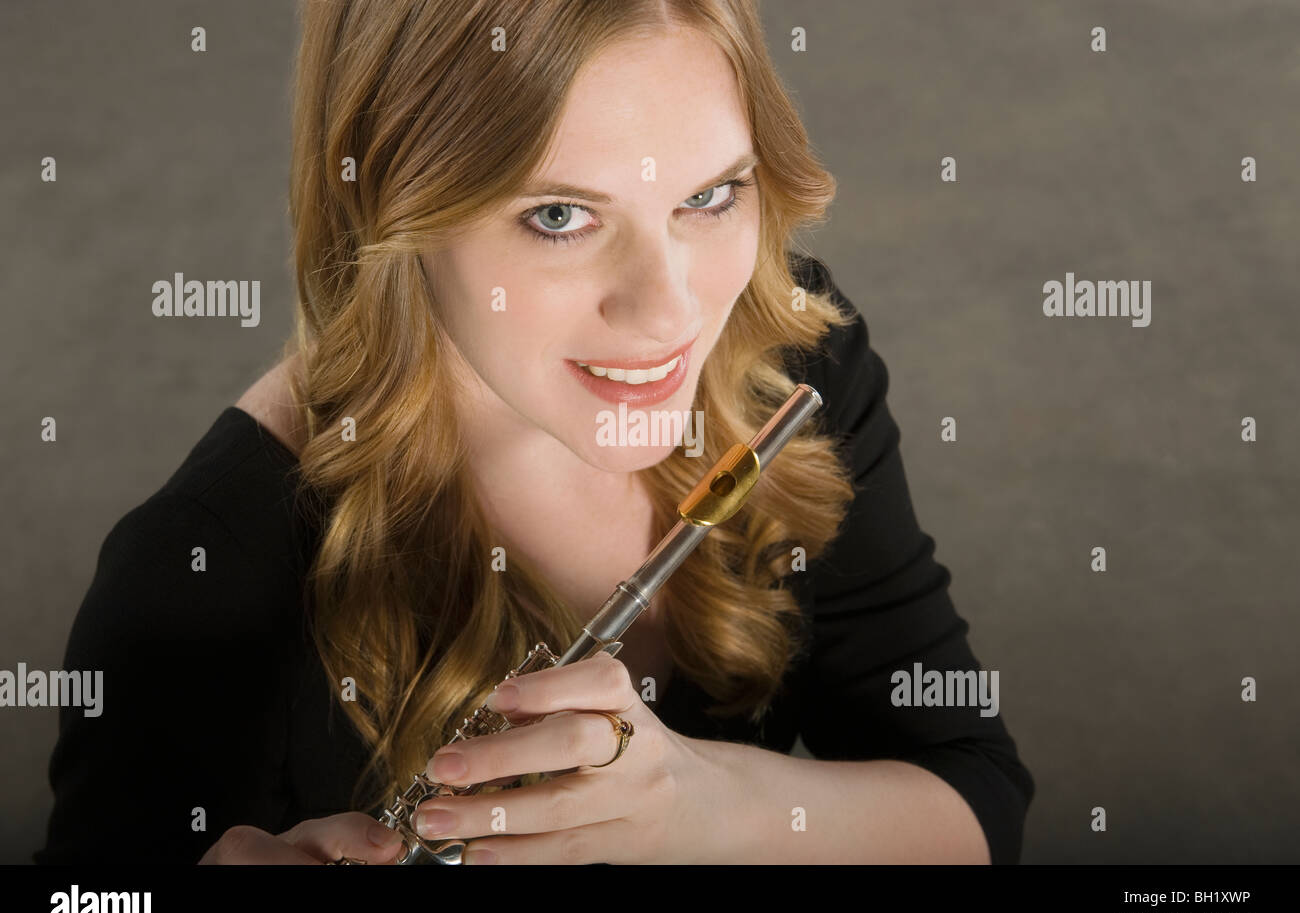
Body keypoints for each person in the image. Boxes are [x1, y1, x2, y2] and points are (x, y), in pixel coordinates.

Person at [35, 0, 1033, 865]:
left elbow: (976, 801)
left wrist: (700, 806)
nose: (670, 312)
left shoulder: (788, 358)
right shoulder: (199, 567)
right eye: (559, 215)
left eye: (709, 195)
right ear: (385, 196)